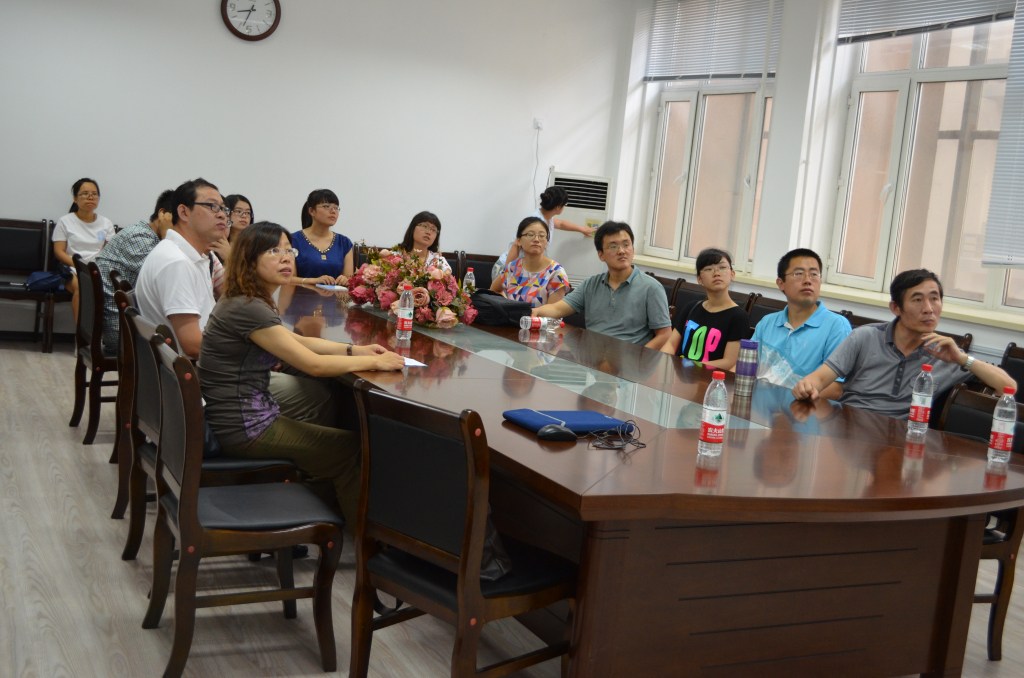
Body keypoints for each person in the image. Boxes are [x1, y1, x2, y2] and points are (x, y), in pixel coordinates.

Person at [198, 221, 405, 523]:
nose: (286, 257)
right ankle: (362, 539)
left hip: (234, 416)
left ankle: (313, 509)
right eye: (274, 251)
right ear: (249, 261)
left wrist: (356, 350)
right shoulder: (249, 307)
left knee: (327, 418)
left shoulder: (245, 299)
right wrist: (375, 363)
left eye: (288, 250)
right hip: (244, 428)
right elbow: (313, 365)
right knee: (350, 449)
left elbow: (299, 341)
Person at [792, 269, 1016, 419]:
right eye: (917, 300)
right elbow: (819, 379)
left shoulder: (947, 354)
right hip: (847, 426)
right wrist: (806, 386)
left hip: (898, 442)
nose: (928, 309)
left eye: (934, 298)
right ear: (896, 308)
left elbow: (1009, 386)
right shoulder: (865, 337)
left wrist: (962, 359)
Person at [532, 221, 671, 348]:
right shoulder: (591, 284)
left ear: (633, 250)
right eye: (613, 246)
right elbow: (557, 309)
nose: (621, 251)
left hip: (629, 361)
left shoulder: (651, 288)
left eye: (626, 245)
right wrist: (535, 312)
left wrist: (639, 359)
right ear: (601, 255)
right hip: (593, 359)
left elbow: (664, 334)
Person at [135, 178, 229, 359]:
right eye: (212, 206)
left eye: (223, 209)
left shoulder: (192, 256)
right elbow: (193, 346)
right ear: (184, 212)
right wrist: (248, 357)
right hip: (196, 369)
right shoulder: (176, 262)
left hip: (206, 356)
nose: (222, 215)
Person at [751, 248, 851, 398]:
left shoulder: (836, 326)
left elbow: (837, 388)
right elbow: (746, 366)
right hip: (757, 404)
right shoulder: (767, 322)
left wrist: (790, 402)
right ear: (781, 283)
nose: (807, 280)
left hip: (801, 408)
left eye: (814, 274)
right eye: (799, 273)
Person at [94, 189, 176, 354]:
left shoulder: (143, 233)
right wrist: (168, 236)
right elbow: (163, 281)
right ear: (163, 214)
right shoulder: (139, 239)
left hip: (122, 325)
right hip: (120, 334)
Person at [660, 247, 749, 370]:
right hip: (680, 375)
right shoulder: (691, 307)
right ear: (699, 279)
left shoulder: (738, 317)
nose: (716, 273)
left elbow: (729, 362)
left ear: (732, 274)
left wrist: (692, 367)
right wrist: (662, 362)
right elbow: (671, 344)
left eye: (722, 267)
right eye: (708, 269)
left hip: (710, 378)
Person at [493, 186, 598, 279]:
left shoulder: (547, 217)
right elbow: (516, 245)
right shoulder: (536, 222)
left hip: (520, 269)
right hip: (507, 268)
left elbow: (561, 224)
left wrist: (582, 229)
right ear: (558, 207)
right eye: (565, 204)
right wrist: (507, 273)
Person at [52, 178, 116, 323]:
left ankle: (102, 333)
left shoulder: (106, 223)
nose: (90, 197)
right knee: (82, 287)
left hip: (97, 269)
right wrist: (81, 266)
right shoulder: (65, 221)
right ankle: (82, 334)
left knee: (111, 289)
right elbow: (59, 252)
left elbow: (110, 253)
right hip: (71, 268)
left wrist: (95, 269)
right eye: (85, 194)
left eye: (94, 194)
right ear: (75, 199)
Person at [490, 216, 570, 307]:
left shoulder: (556, 273)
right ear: (519, 241)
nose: (536, 239)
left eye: (541, 236)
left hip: (541, 317)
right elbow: (495, 290)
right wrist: (507, 308)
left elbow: (553, 312)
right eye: (530, 235)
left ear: (546, 243)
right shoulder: (512, 268)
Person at [292, 189, 353, 286]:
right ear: (312, 211)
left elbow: (349, 278)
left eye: (336, 208)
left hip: (334, 295)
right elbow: (288, 278)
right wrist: (314, 281)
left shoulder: (344, 243)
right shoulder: (293, 240)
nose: (333, 211)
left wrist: (345, 280)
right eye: (326, 206)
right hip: (301, 294)